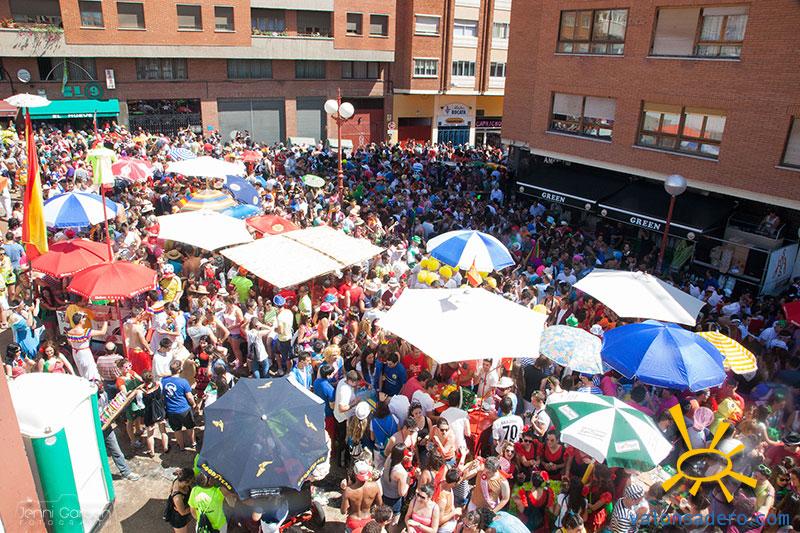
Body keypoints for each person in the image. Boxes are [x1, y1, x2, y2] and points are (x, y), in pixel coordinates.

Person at [162, 359, 197, 451]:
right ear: (180, 369)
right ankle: (193, 443)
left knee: (177, 430)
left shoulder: (164, 381)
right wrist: (194, 404)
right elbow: (189, 396)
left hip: (171, 410)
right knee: (190, 427)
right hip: (183, 409)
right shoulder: (183, 382)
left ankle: (181, 446)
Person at [342, 461, 383, 533]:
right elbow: (380, 505)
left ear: (355, 473)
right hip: (367, 521)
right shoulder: (375, 486)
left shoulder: (348, 491)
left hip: (353, 521)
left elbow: (343, 511)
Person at [67, 312, 108, 381]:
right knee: (91, 370)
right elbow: (102, 332)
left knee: (81, 370)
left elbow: (69, 343)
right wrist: (105, 320)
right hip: (84, 352)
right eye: (83, 318)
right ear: (80, 321)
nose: (85, 319)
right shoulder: (85, 332)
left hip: (75, 352)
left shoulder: (70, 332)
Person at [380, 443, 411, 523]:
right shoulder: (401, 472)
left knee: (383, 517)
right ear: (402, 456)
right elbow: (402, 493)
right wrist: (408, 482)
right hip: (394, 500)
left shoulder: (389, 458)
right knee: (393, 521)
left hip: (384, 494)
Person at [141, 370, 169, 456]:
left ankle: (152, 451)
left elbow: (140, 404)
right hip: (159, 410)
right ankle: (165, 448)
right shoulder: (158, 385)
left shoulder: (141, 391)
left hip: (149, 413)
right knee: (163, 431)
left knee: (150, 435)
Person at [371, 400, 399, 469]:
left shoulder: (373, 421)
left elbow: (372, 438)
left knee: (378, 469)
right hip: (393, 448)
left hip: (379, 449)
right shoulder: (394, 417)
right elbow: (399, 432)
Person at [165, 467, 194, 533]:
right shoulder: (177, 497)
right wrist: (195, 507)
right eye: (192, 481)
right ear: (186, 481)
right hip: (178, 519)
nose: (193, 482)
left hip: (183, 511)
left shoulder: (178, 480)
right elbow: (183, 512)